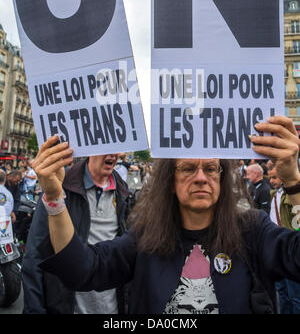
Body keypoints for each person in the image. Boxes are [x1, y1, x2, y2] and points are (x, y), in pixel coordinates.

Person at [34, 116, 300, 314]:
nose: (200, 178)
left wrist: (294, 180)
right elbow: (83, 269)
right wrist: (55, 198)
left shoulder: (252, 230)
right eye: (187, 169)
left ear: (222, 178)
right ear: (170, 181)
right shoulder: (145, 237)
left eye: (210, 168)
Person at [21, 153, 132, 314]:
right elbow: (34, 256)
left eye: (117, 148)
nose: (113, 154)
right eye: (107, 147)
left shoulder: (123, 193)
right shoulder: (59, 187)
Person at [268, 164, 300, 314]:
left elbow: (297, 219)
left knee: (295, 297)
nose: (272, 181)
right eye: (270, 178)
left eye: (275, 177)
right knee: (282, 294)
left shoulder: (292, 195)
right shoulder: (274, 195)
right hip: (276, 249)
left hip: (289, 248)